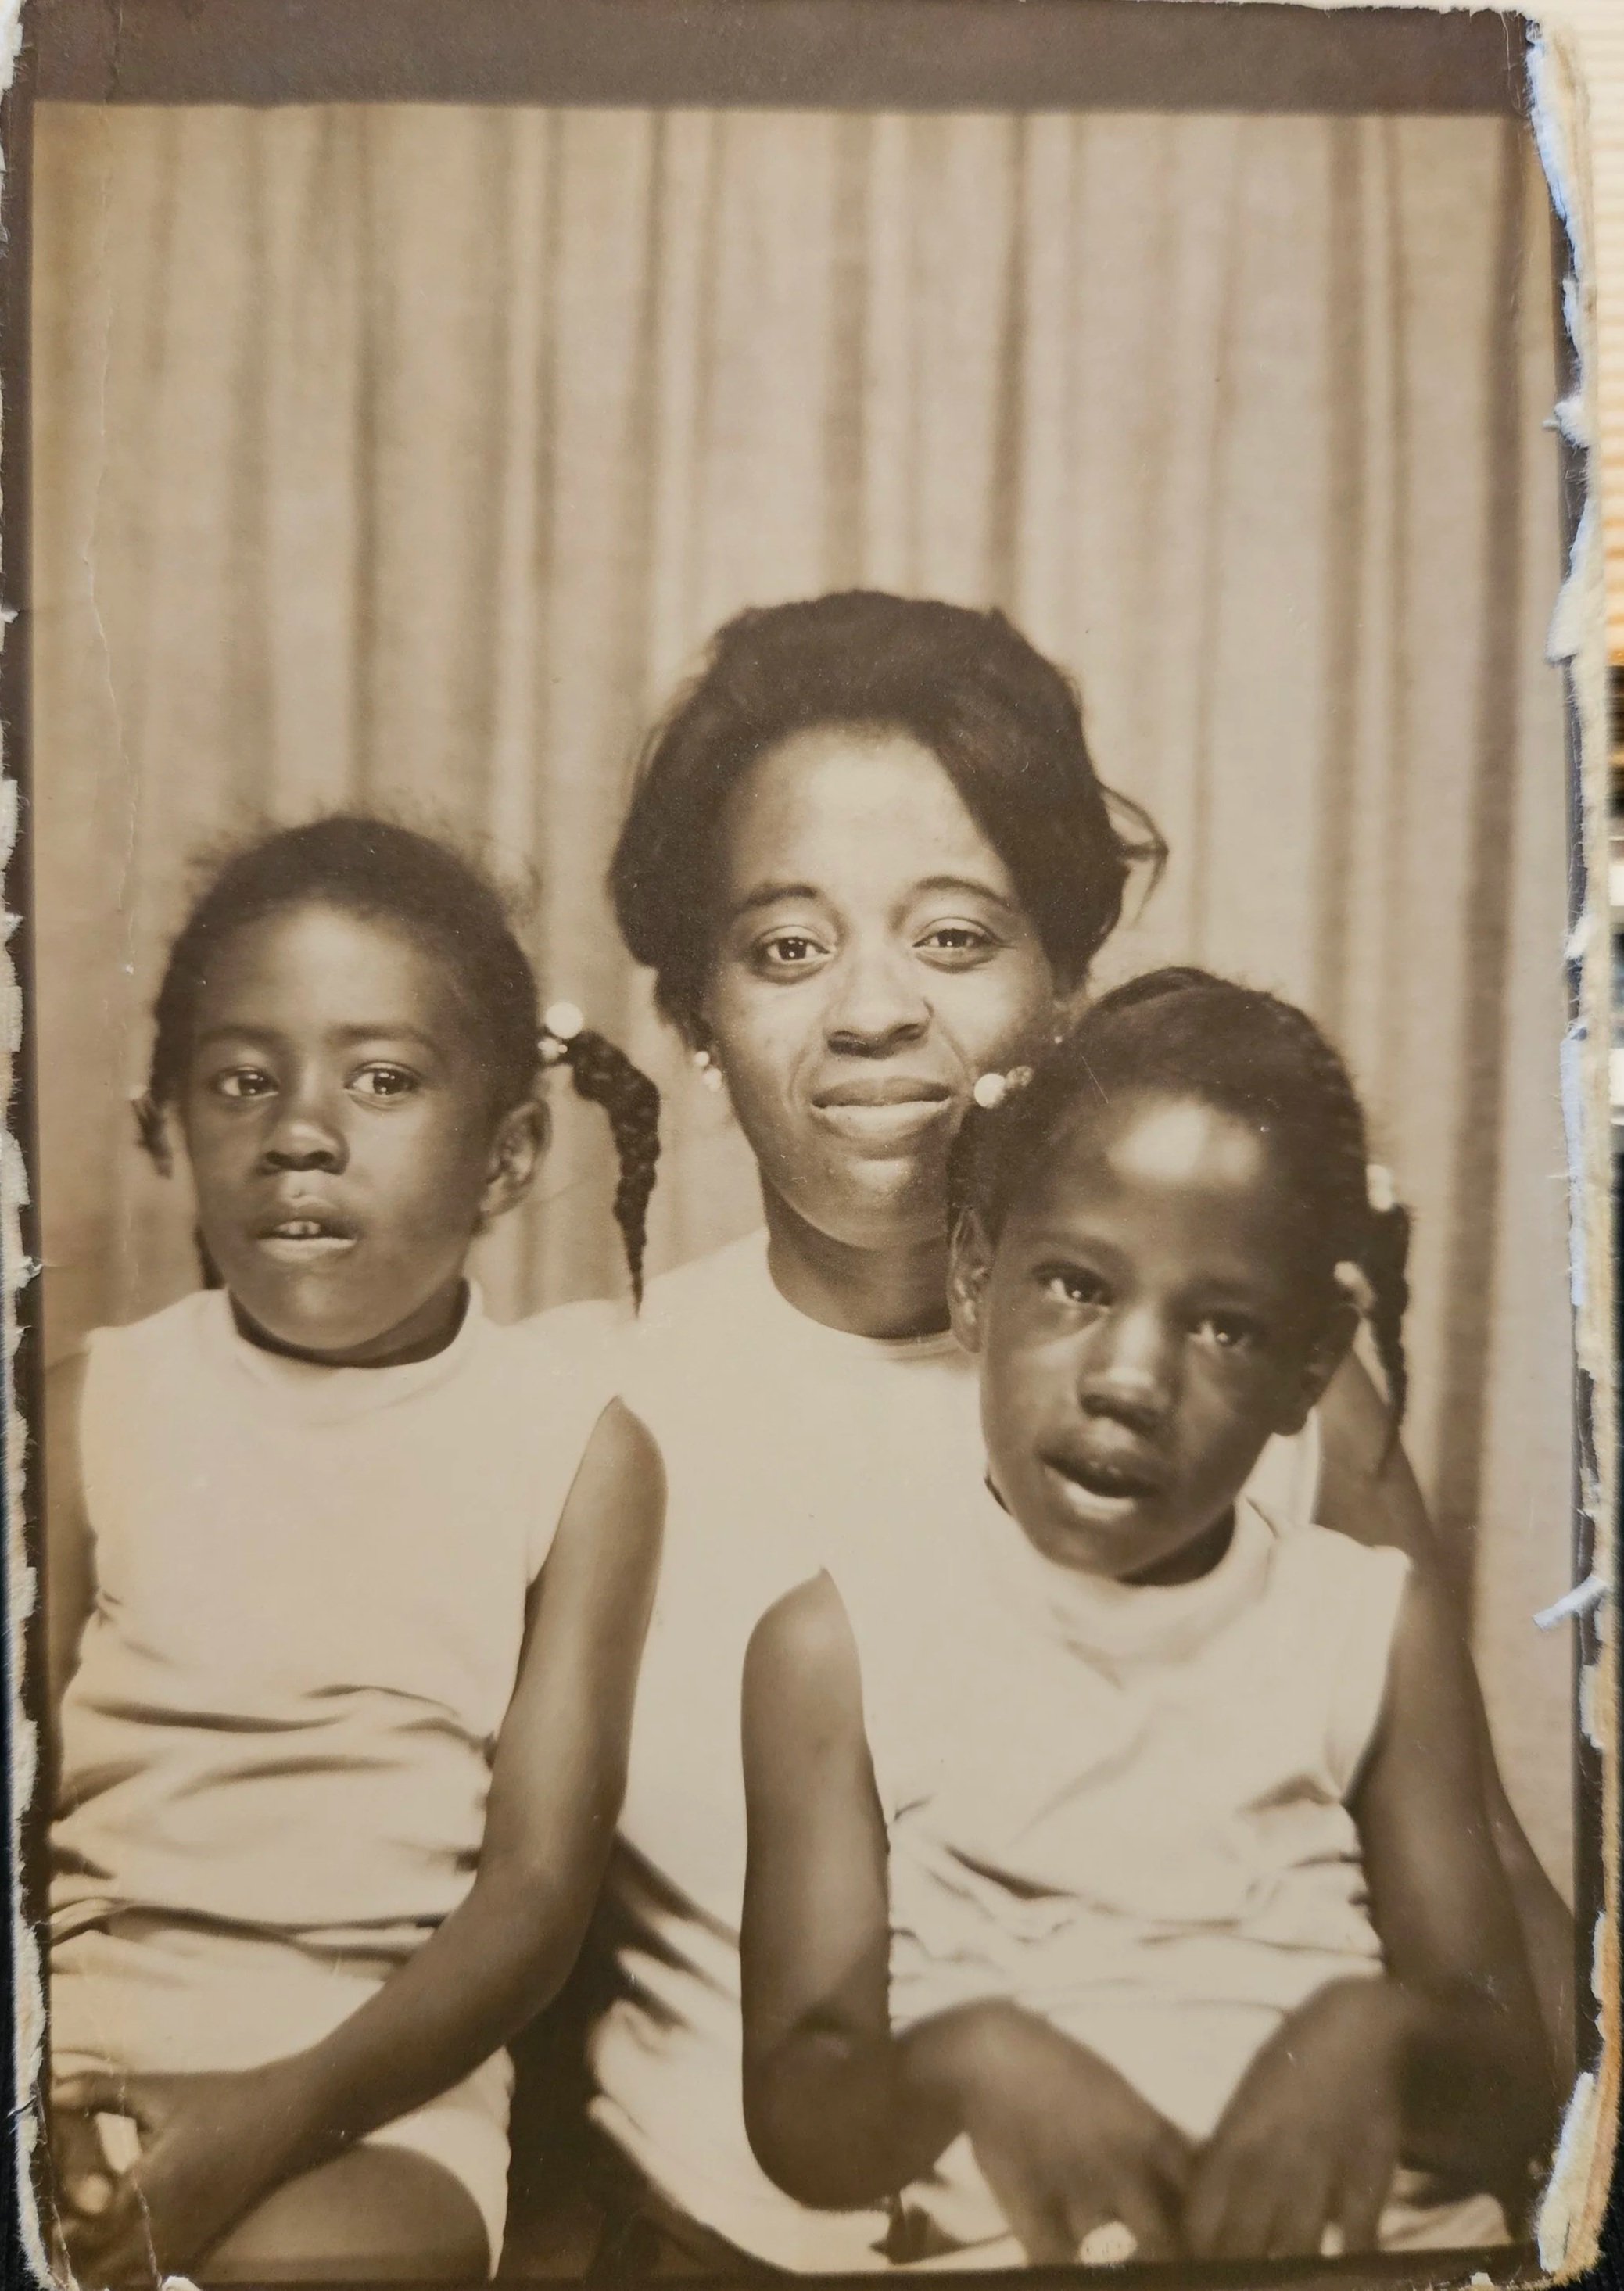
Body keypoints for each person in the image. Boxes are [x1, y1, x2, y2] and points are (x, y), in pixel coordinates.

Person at [579, 592, 1568, 2273]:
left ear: (1066, 981)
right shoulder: (592, 1413)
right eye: (787, 946)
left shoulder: (1263, 1389)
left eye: (955, 937)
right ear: (688, 1008)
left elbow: (1510, 1944)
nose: (876, 1010)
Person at [740, 969, 1555, 2269]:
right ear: (971, 1277)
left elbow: (1517, 2075)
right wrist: (968, 2061)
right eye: (1074, 1286)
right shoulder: (833, 1648)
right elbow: (798, 2114)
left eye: (1223, 1325)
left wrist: (1376, 2032)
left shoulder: (1367, 1628)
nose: (1130, 1379)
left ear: (1307, 1367)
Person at [45, 816, 665, 2282]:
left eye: (381, 1080)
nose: (301, 1129)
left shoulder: (573, 1447)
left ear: (508, 1153)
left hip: (377, 2087)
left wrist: (276, 2116)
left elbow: (534, 1895)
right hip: (77, 2040)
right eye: (241, 1081)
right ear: (168, 1127)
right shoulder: (94, 1405)